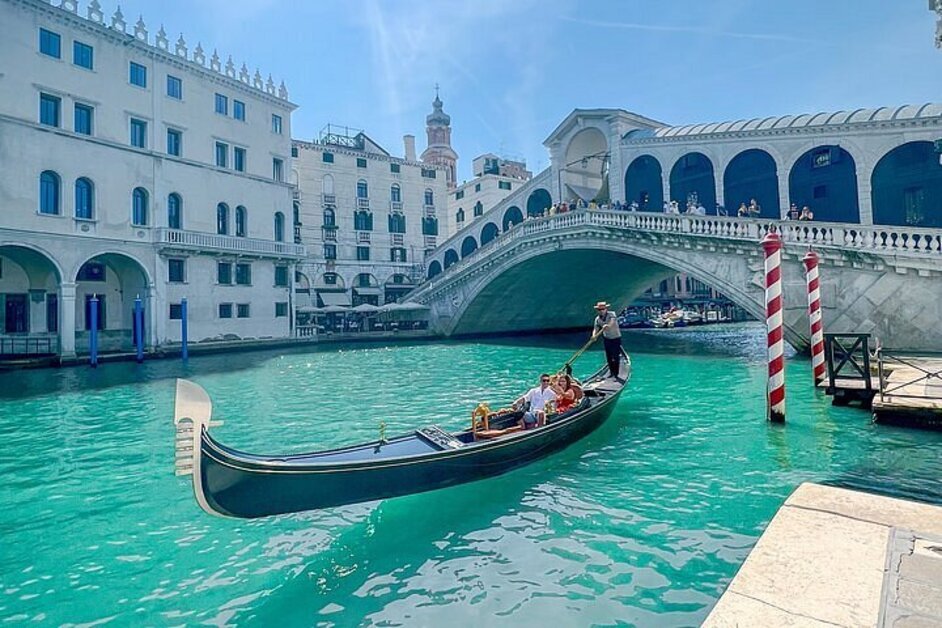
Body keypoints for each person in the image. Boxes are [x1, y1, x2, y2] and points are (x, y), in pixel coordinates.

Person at [592, 301, 623, 381]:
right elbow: (596, 328)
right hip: (607, 338)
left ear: (606, 309)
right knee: (608, 356)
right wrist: (594, 336)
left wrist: (608, 325)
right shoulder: (597, 319)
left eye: (602, 309)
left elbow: (612, 323)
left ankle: (616, 374)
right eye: (599, 309)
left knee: (615, 356)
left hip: (616, 338)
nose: (601, 311)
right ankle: (611, 372)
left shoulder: (612, 314)